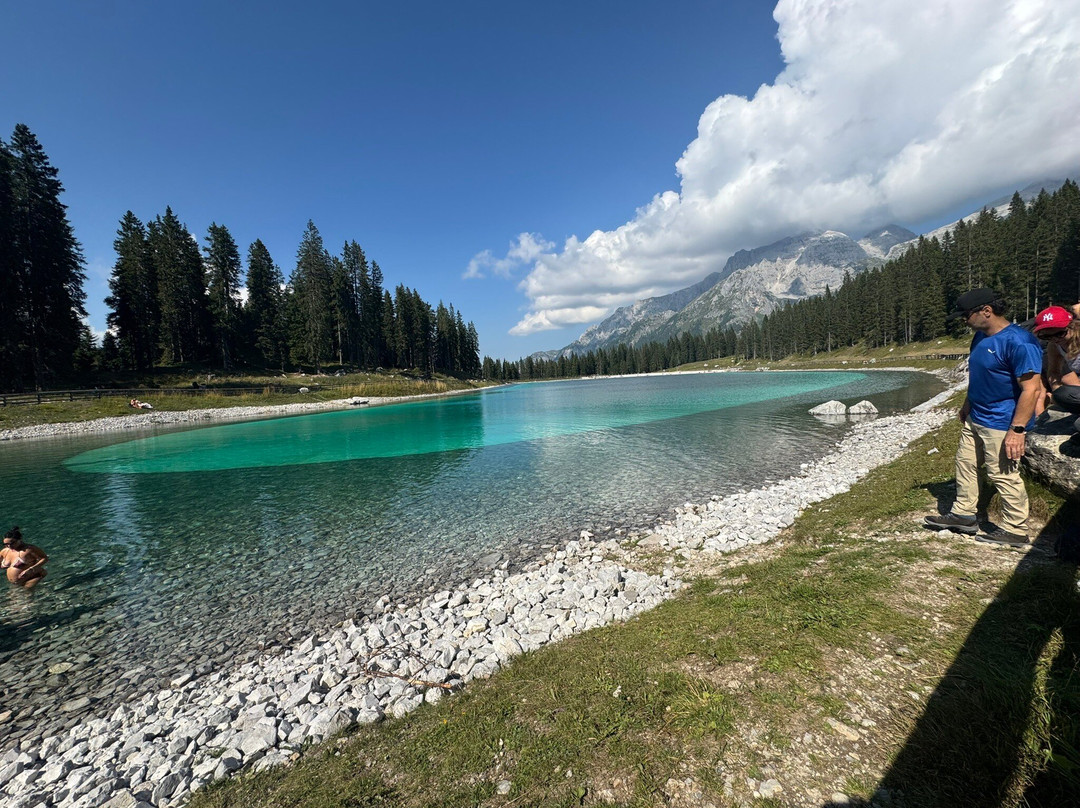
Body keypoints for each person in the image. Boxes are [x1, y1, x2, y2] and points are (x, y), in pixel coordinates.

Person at [924, 288, 1044, 547]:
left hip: (1002, 421)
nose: (963, 321)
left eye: (966, 315)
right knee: (965, 463)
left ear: (986, 311)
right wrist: (968, 403)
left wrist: (1018, 429)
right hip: (976, 415)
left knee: (1002, 472)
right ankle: (964, 514)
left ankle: (1015, 529)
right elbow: (979, 375)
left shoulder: (1020, 342)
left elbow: (1031, 389)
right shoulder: (979, 337)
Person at [1033, 304, 1080, 430]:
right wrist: (1058, 392)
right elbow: (1054, 372)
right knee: (1062, 394)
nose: (1054, 339)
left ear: (1072, 326)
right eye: (1047, 336)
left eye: (1060, 334)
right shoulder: (1054, 346)